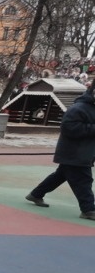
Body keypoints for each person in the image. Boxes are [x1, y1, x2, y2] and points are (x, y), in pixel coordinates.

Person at [25, 83, 95, 220]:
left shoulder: (91, 108)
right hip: (75, 153)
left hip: (81, 152)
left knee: (60, 175)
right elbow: (69, 128)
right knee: (83, 180)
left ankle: (36, 194)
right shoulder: (78, 108)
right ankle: (88, 209)